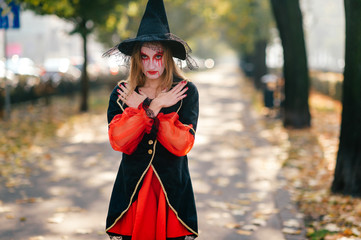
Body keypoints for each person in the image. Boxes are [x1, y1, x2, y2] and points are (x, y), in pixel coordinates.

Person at [103, 0, 199, 239]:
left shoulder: (186, 91)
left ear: (167, 56)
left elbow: (182, 145)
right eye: (144, 57)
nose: (152, 64)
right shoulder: (122, 93)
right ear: (137, 58)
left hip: (172, 196)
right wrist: (153, 107)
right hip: (133, 193)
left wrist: (147, 109)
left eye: (158, 56)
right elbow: (119, 141)